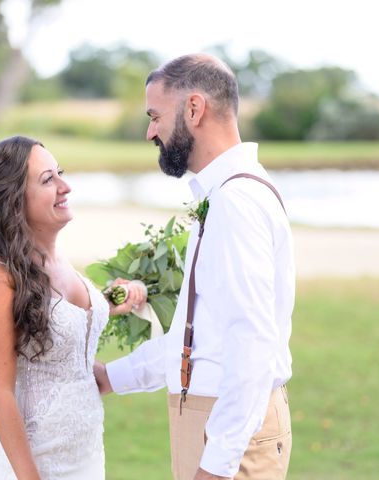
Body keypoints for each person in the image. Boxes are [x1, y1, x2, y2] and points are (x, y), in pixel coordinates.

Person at [94, 53, 295, 480]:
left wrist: (218, 466)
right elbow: (203, 337)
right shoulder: (223, 196)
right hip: (212, 421)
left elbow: (252, 342)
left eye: (154, 116)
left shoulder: (237, 202)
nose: (151, 131)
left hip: (230, 434)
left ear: (194, 108)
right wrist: (111, 377)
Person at [0, 135, 146, 480]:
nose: (66, 186)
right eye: (48, 179)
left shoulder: (58, 259)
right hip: (34, 462)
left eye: (59, 173)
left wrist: (115, 300)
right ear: (16, 200)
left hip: (87, 456)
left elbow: (59, 318)